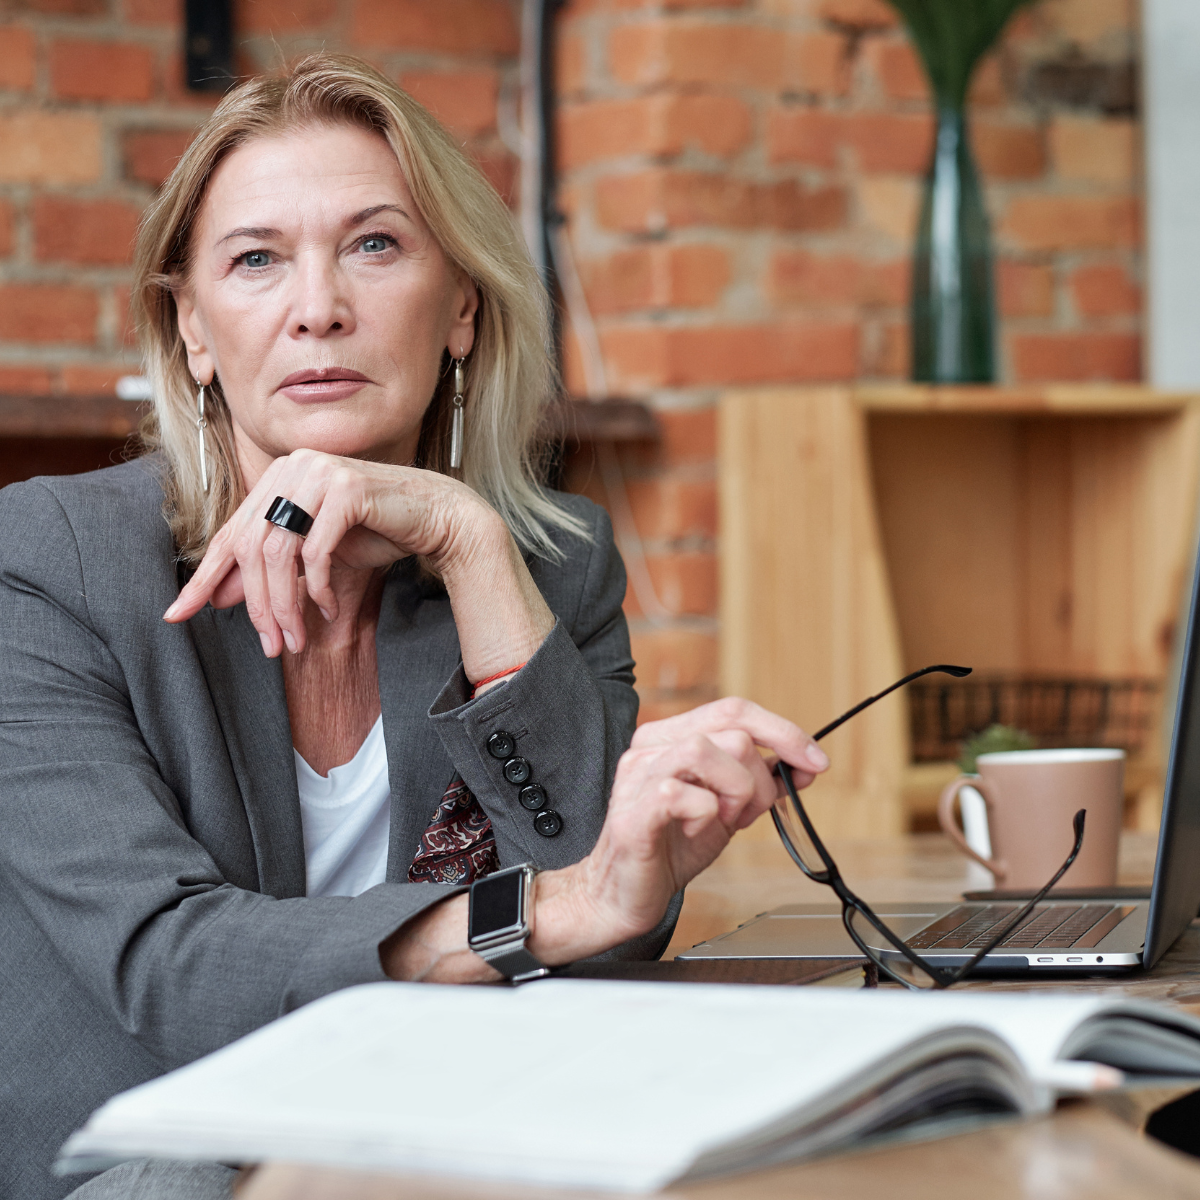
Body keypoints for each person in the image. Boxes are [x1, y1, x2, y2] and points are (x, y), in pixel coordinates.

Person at [0, 55, 829, 1200]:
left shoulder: (555, 565)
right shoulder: (47, 562)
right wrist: (535, 916)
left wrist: (470, 543)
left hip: (431, 1131)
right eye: (255, 261)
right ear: (191, 329)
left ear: (463, 308)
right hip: (146, 1155)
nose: (318, 306)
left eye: (376, 245)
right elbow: (166, 963)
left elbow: (612, 921)